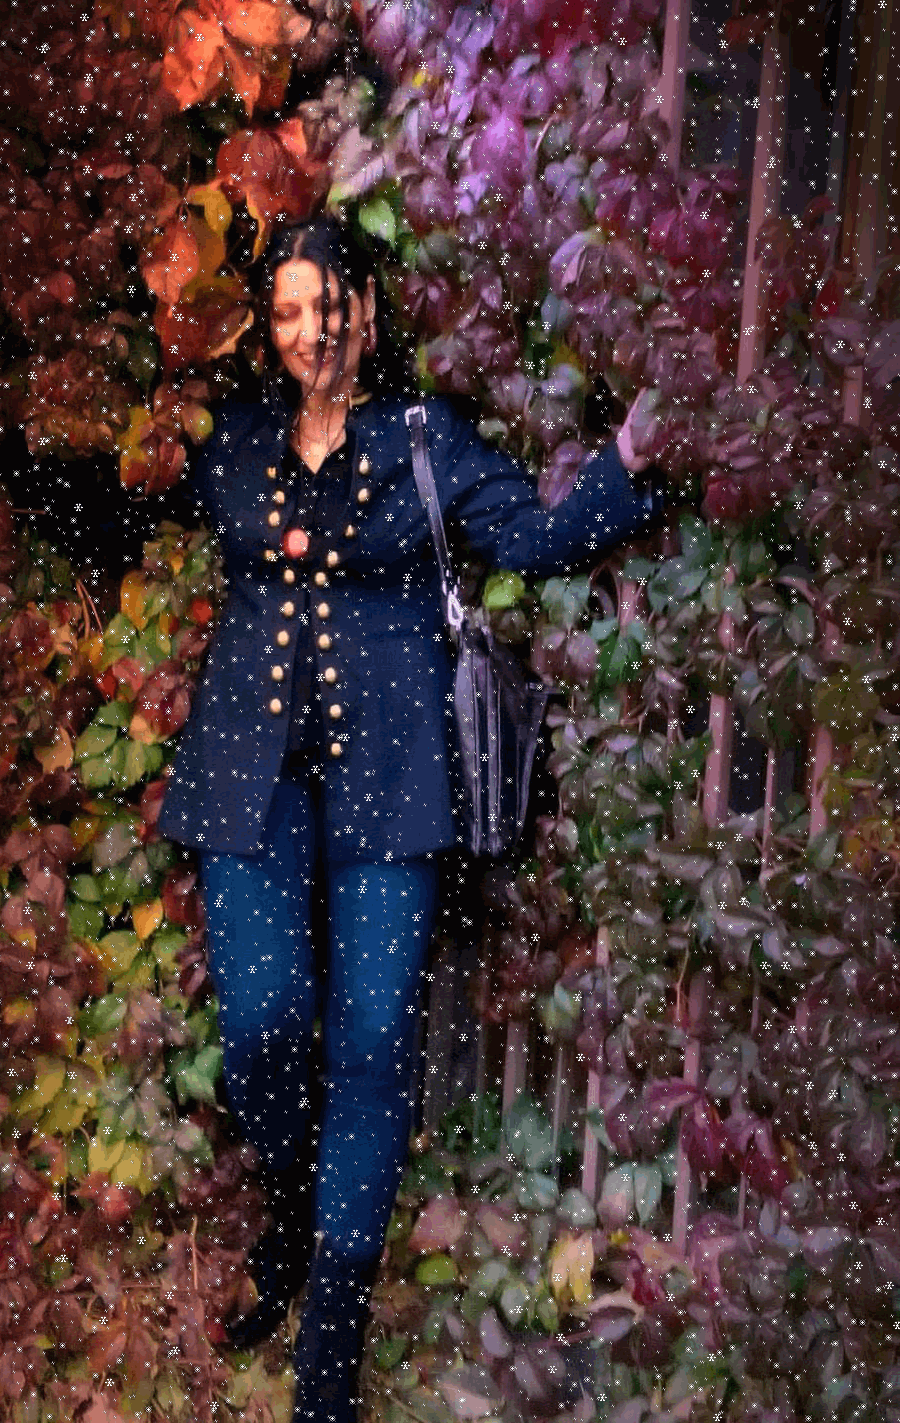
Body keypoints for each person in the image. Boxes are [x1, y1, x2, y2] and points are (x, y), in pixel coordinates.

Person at [157, 217, 662, 1422]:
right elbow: (132, 502)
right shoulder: (234, 445)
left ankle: (330, 1339)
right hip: (247, 781)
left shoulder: (423, 440)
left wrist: (634, 455)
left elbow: (536, 539)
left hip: (392, 779)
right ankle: (293, 1207)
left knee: (374, 1046)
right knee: (264, 1026)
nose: (308, 333)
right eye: (286, 312)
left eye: (326, 307)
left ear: (368, 313)